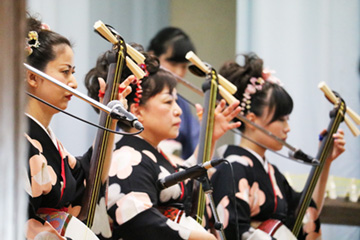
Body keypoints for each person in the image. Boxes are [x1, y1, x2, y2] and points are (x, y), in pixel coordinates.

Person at [85, 47, 241, 240]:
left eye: (176, 101)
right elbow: (137, 220)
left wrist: (211, 136)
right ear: (137, 110)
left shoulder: (148, 152)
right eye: (168, 102)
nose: (178, 111)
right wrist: (198, 237)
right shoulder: (127, 156)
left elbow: (190, 177)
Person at [208, 53, 346, 240]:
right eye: (280, 119)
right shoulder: (231, 166)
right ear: (252, 120)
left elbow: (304, 214)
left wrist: (325, 161)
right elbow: (230, 230)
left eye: (287, 119)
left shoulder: (273, 173)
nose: (287, 128)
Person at [24, 14, 132, 239]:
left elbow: (89, 183)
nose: (73, 82)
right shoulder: (18, 143)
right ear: (33, 77)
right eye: (65, 72)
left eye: (72, 72)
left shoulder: (51, 145)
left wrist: (109, 119)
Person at [147, 27, 200, 160]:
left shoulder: (182, 104)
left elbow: (193, 151)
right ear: (152, 56)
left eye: (183, 66)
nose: (179, 72)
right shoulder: (136, 95)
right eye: (173, 63)